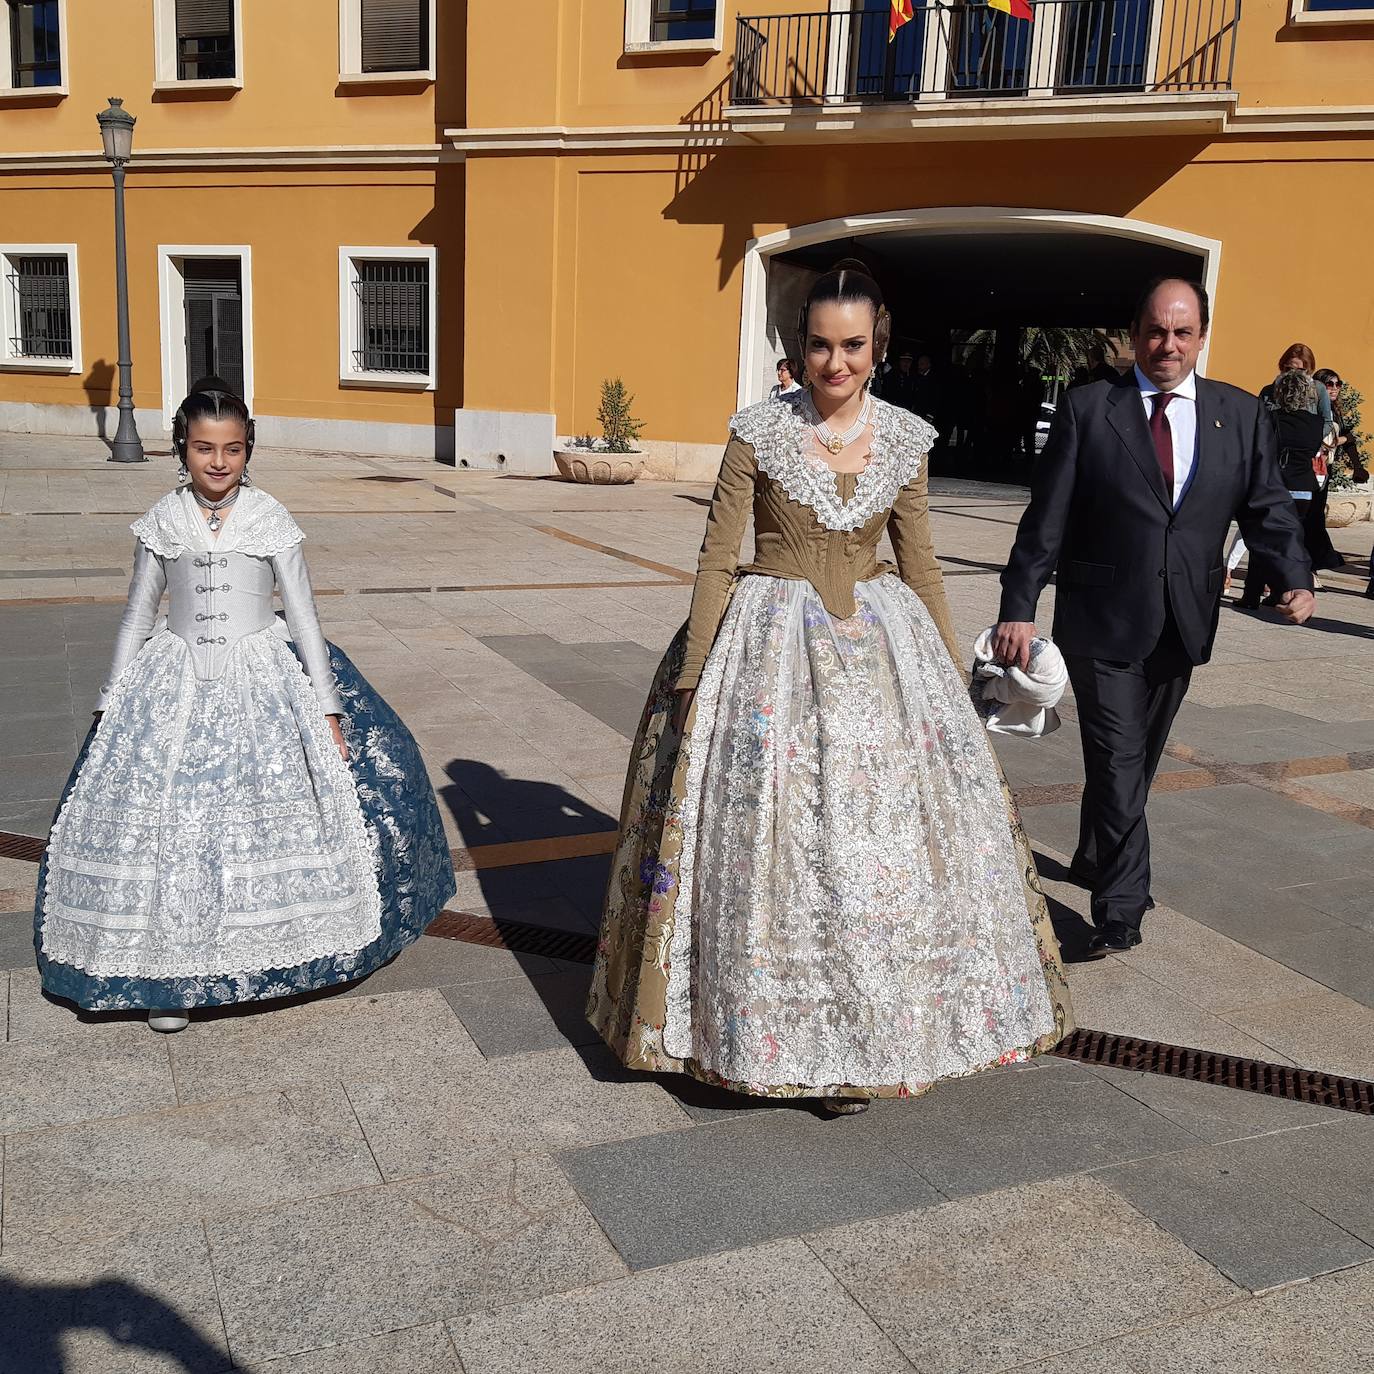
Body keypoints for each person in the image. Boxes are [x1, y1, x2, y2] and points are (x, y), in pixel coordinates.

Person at [587, 262, 1073, 1114]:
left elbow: (919, 563)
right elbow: (714, 558)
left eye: (851, 345)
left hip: (884, 651)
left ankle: (878, 1031)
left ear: (877, 344)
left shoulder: (906, 437)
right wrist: (696, 680)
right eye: (819, 345)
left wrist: (955, 688)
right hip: (767, 646)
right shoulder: (757, 432)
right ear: (799, 348)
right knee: (775, 844)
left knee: (874, 843)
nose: (834, 362)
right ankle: (764, 1032)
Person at [34, 381, 456, 1031]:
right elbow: (137, 617)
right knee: (172, 823)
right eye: (205, 448)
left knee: (264, 816)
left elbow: (306, 619)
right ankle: (167, 979)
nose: (219, 462)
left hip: (263, 674)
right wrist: (110, 702)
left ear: (248, 447)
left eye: (232, 448)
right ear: (181, 447)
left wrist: (328, 709)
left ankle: (271, 954)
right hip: (172, 678)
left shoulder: (270, 519)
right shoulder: (161, 522)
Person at [993, 278, 1313, 957]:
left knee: (1134, 762)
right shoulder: (1090, 409)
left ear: (1201, 337)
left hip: (1184, 619)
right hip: (1100, 617)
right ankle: (1121, 904)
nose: (1169, 345)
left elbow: (1267, 504)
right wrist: (1017, 608)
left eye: (1183, 332)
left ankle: (1090, 853)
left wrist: (1293, 574)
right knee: (1116, 759)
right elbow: (1045, 518)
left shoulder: (1239, 414)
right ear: (1134, 335)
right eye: (1157, 331)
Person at [1237, 370, 1326, 607]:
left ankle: (1251, 594)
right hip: (1304, 488)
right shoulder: (1316, 423)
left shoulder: (1270, 418)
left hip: (1275, 484)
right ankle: (1281, 592)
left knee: (1264, 541)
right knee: (1294, 540)